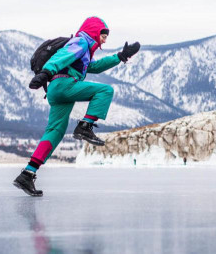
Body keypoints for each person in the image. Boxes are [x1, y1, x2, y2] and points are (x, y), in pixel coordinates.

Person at [13, 17, 140, 197]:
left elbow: (94, 67)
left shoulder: (86, 51)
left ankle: (27, 174)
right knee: (105, 91)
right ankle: (85, 126)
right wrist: (45, 73)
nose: (104, 40)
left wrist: (120, 56)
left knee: (55, 132)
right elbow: (61, 57)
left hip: (57, 91)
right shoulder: (80, 42)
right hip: (64, 85)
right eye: (103, 35)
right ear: (94, 32)